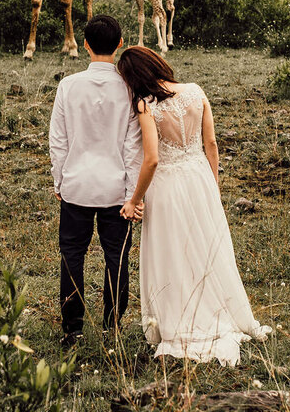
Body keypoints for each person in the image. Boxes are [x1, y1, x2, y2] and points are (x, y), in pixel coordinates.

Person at [116, 46, 272, 365]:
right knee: (207, 247)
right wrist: (211, 184)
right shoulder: (195, 91)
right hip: (200, 176)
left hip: (168, 185)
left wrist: (134, 200)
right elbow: (211, 143)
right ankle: (221, 309)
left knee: (173, 250)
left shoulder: (146, 105)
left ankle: (180, 318)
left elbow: (151, 159)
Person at [48, 15, 143, 347]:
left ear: (84, 44)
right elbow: (134, 147)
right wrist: (134, 194)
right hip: (117, 190)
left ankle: (72, 329)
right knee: (116, 257)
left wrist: (59, 180)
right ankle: (111, 326)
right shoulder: (130, 87)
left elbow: (57, 140)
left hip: (76, 185)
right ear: (120, 44)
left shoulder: (68, 86)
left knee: (72, 255)